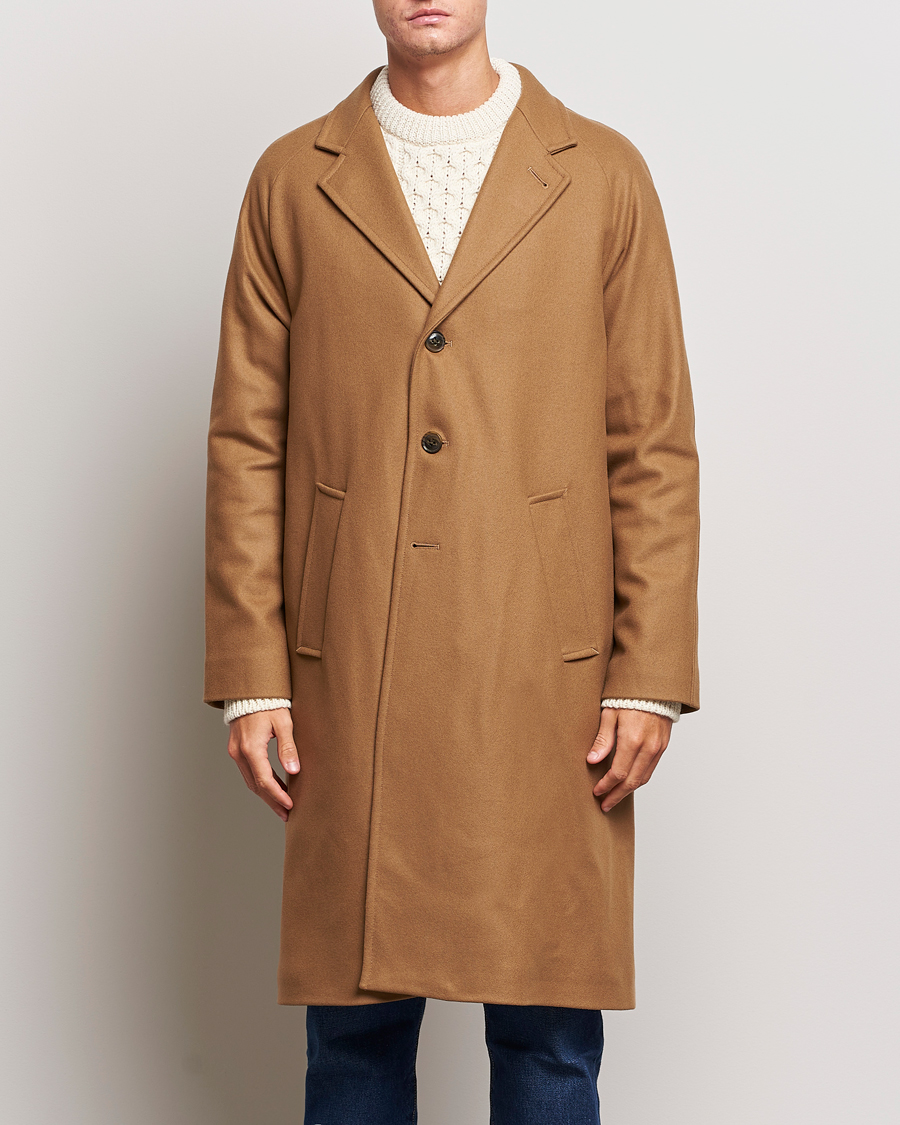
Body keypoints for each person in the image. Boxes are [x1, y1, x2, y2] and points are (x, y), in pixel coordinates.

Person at [203, 1, 700, 1121]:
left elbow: (653, 443)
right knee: (354, 1046)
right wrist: (251, 675)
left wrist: (649, 675)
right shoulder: (292, 180)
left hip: (546, 676)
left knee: (549, 1044)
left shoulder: (603, 174)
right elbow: (246, 440)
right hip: (350, 669)